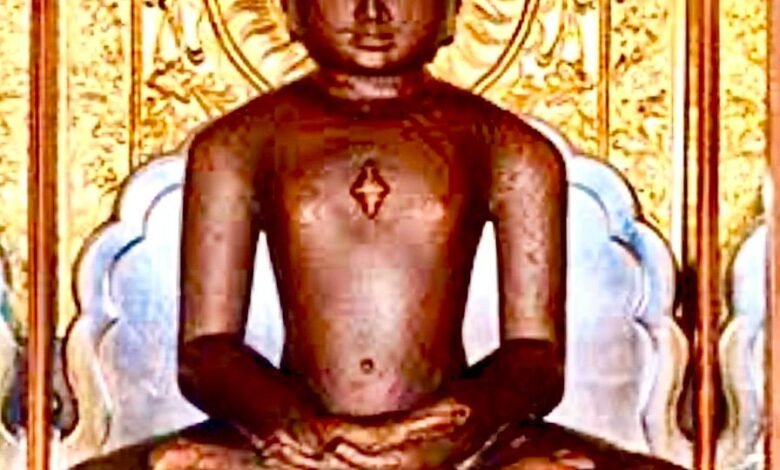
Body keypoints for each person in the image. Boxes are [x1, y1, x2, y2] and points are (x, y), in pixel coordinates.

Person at [75, 0, 684, 468]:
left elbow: (537, 357)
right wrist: (297, 426)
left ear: (451, 12)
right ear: (290, 10)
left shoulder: (510, 149)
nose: (372, 12)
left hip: (461, 444)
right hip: (290, 443)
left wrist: (456, 426)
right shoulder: (236, 145)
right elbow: (206, 350)